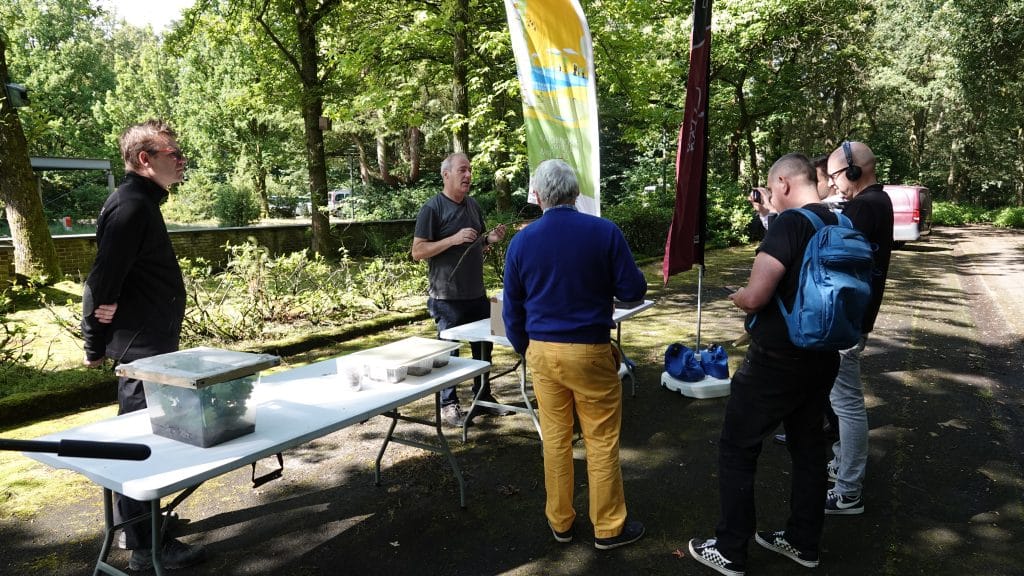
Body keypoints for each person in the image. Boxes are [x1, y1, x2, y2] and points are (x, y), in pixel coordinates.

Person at [689, 154, 841, 576]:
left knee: (737, 448)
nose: (771, 197)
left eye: (773, 189)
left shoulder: (791, 224)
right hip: (823, 356)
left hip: (776, 361)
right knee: (810, 450)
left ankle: (730, 549)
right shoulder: (837, 222)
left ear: (784, 183)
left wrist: (738, 295)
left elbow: (757, 296)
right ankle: (802, 542)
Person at [502, 159, 648, 550]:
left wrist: (524, 348)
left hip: (542, 353)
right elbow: (633, 290)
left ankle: (561, 522)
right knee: (600, 441)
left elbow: (511, 308)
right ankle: (608, 528)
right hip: (590, 350)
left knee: (555, 440)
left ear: (538, 196)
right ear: (575, 192)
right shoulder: (604, 232)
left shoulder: (521, 241)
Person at [81, 119, 205, 571]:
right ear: (145, 159)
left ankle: (139, 523)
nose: (182, 158)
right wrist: (93, 342)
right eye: (173, 152)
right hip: (140, 349)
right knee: (140, 441)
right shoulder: (131, 206)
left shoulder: (141, 203)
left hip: (151, 342)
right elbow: (99, 282)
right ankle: (143, 547)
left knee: (147, 435)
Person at [412, 152, 509, 427]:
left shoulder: (473, 205)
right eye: (462, 170)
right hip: (446, 297)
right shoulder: (433, 208)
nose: (468, 175)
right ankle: (448, 405)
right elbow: (418, 251)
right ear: (446, 175)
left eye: (470, 170)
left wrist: (490, 239)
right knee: (449, 354)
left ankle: (483, 397)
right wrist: (452, 239)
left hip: (476, 293)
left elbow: (477, 244)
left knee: (484, 348)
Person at [823, 141, 893, 515]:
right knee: (842, 400)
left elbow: (828, 249)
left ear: (853, 170)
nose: (833, 185)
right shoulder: (878, 202)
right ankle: (841, 462)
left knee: (846, 404)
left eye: (834, 176)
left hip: (847, 318)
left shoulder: (864, 207)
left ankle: (848, 490)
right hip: (857, 315)